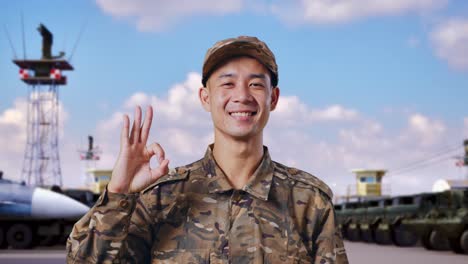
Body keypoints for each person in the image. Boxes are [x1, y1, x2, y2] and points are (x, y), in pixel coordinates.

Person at [66, 36, 348, 263]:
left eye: (255, 84)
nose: (242, 96)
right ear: (205, 97)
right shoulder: (160, 200)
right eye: (227, 83)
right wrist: (118, 194)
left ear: (273, 98)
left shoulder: (310, 201)